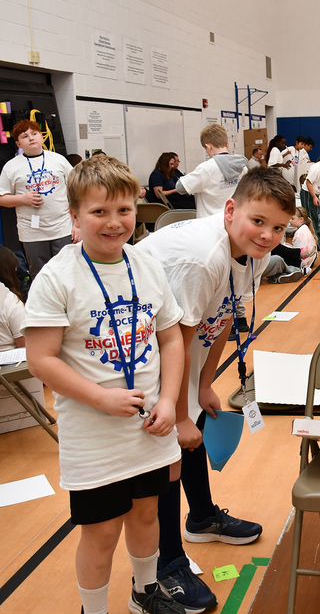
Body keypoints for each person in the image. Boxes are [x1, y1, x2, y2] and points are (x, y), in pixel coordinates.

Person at [24, 154, 186, 614]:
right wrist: (100, 397)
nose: (115, 223)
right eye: (99, 212)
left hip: (151, 424)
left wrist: (171, 400)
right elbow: (40, 360)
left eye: (124, 210)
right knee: (101, 532)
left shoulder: (147, 264)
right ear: (74, 216)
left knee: (147, 512)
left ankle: (145, 593)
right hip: (94, 434)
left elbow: (171, 338)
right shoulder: (57, 276)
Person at [137, 167, 296, 613]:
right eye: (258, 221)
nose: (268, 235)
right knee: (168, 447)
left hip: (179, 348)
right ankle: (167, 564)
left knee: (194, 426)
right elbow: (177, 341)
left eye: (279, 227)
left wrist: (205, 384)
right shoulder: (201, 257)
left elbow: (224, 313)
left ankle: (202, 517)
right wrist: (180, 411)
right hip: (145, 351)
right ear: (230, 210)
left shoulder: (253, 251)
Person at [0, 120, 77, 280]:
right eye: (25, 136)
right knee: (40, 276)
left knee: (67, 273)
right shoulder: (11, 166)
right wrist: (22, 198)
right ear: (18, 143)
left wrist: (78, 225)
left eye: (34, 134)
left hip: (62, 228)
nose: (31, 138)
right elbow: (2, 198)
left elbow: (77, 191)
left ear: (41, 137)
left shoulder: (59, 160)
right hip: (32, 232)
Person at [174, 124, 249, 218]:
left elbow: (180, 187)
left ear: (208, 146)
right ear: (227, 144)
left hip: (210, 224)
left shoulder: (205, 169)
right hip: (233, 221)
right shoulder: (242, 167)